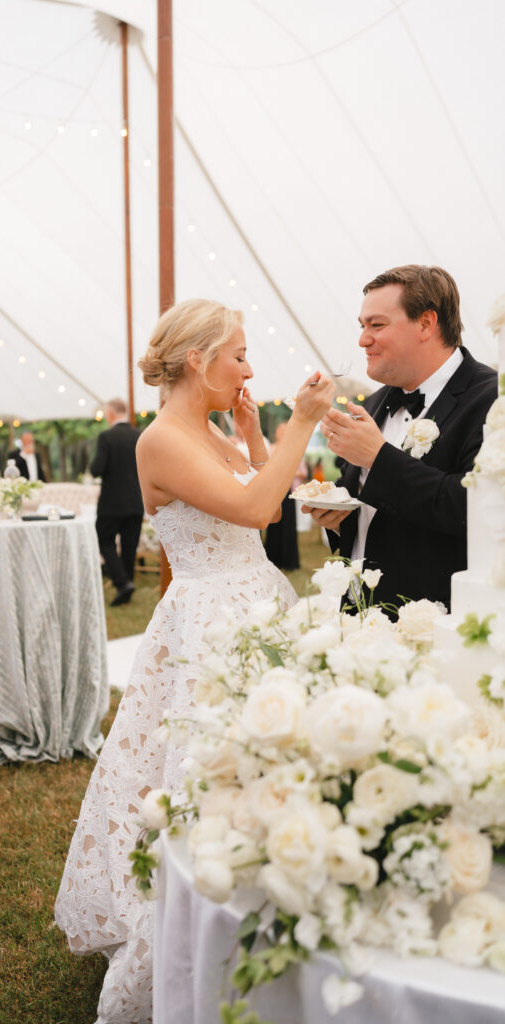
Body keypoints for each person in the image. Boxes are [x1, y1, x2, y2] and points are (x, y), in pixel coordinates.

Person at [55, 298, 334, 1024]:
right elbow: (251, 510)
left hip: (255, 598)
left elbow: (267, 510)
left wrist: (250, 434)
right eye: (238, 353)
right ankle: (199, 925)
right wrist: (297, 426)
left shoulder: (209, 429)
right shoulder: (158, 440)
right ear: (196, 362)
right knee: (206, 771)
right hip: (209, 618)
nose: (248, 365)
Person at [305, 264, 497, 610]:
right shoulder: (376, 403)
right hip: (359, 618)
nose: (363, 339)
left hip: (438, 620)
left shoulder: (493, 400)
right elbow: (373, 517)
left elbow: (476, 510)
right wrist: (337, 518)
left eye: (376, 325)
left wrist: (378, 459)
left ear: (426, 324)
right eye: (363, 326)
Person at [90, 398, 144, 606]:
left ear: (111, 414)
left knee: (104, 540)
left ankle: (122, 583)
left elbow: (97, 469)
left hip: (111, 503)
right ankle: (127, 585)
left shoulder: (106, 437)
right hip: (136, 501)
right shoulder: (139, 436)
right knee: (130, 544)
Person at [264, 420, 309, 570]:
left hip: (288, 492)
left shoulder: (293, 449)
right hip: (273, 492)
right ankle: (273, 559)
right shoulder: (271, 448)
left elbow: (303, 472)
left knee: (288, 526)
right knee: (274, 527)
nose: (281, 433)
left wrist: (291, 473)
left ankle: (289, 561)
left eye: (285, 430)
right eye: (280, 430)